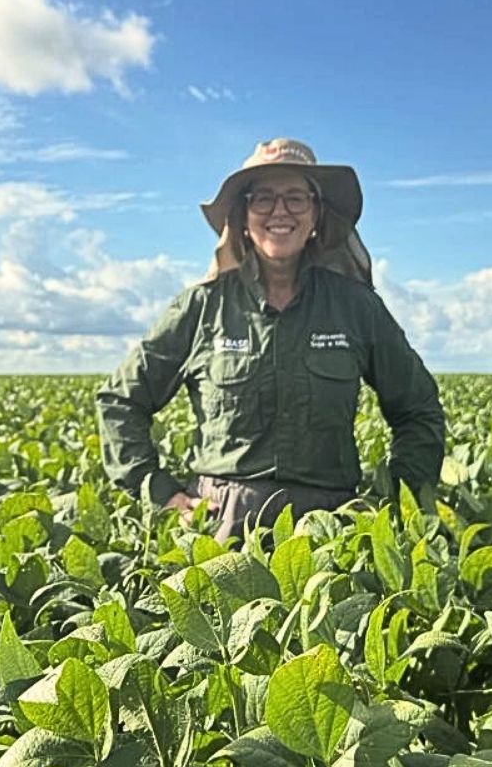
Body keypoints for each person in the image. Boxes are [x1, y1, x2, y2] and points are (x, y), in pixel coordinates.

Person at [96, 138, 445, 543]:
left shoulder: (356, 307)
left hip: (330, 532)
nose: (280, 211)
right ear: (243, 216)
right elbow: (120, 401)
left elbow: (419, 411)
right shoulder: (202, 305)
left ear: (316, 214)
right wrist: (161, 493)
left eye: (296, 198)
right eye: (264, 198)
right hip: (221, 529)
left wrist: (392, 505)